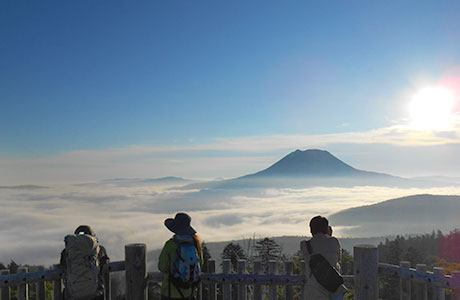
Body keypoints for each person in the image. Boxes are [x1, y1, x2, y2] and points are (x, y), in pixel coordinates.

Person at [158, 212, 203, 300]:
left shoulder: (170, 245)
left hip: (170, 292)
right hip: (190, 292)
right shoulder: (195, 243)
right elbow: (200, 263)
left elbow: (162, 267)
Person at [300, 216, 346, 300]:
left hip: (313, 290)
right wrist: (329, 235)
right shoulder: (334, 242)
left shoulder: (305, 245)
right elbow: (338, 259)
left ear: (311, 230)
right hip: (334, 289)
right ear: (326, 228)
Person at [60, 225, 109, 300]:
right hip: (96, 294)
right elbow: (106, 261)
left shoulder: (66, 251)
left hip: (72, 295)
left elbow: (63, 266)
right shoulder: (100, 249)